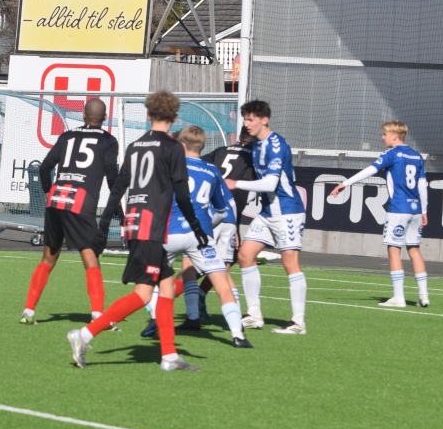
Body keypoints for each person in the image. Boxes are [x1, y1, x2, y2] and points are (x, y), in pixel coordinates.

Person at [67, 91, 210, 371]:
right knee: (144, 294)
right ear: (175, 118)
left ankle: (169, 356)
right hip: (150, 228)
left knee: (166, 288)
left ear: (147, 115)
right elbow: (182, 194)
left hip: (134, 223)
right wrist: (197, 226)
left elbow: (117, 190)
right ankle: (84, 334)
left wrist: (104, 227)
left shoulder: (134, 146)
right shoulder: (173, 148)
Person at [20, 98, 119, 325]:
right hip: (81, 202)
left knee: (48, 258)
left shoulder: (67, 136)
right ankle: (97, 315)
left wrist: (48, 191)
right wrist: (117, 203)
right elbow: (112, 174)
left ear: (83, 115)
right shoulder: (108, 140)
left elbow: (45, 167)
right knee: (90, 257)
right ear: (105, 118)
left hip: (57, 199)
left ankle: (28, 310)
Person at [225, 100, 308, 335]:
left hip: (288, 211)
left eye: (251, 119)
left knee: (290, 262)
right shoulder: (256, 145)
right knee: (245, 255)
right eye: (245, 119)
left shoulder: (276, 144)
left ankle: (298, 322)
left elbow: (271, 183)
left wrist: (235, 183)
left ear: (265, 120)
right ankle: (254, 315)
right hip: (268, 212)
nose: (246, 123)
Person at [164, 126, 251, 346]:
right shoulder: (212, 170)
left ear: (181, 144)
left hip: (179, 229)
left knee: (165, 277)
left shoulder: (176, 164)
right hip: (214, 225)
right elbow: (225, 206)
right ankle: (238, 333)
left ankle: (172, 319)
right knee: (222, 277)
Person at [329, 120, 429, 307]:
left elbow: (369, 171)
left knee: (393, 249)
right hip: (415, 209)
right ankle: (424, 296)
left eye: (384, 134)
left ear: (394, 135)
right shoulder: (417, 156)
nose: (382, 137)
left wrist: (345, 183)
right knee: (414, 250)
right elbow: (422, 186)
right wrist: (424, 210)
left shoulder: (391, 154)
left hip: (398, 209)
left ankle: (398, 297)